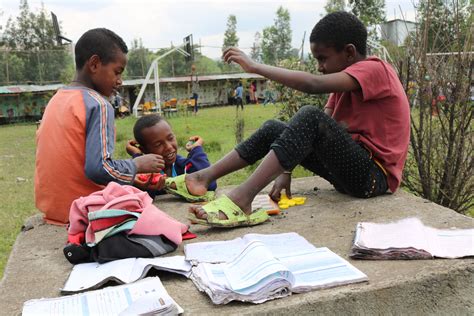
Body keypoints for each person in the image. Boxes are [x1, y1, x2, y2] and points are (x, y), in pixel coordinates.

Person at [180, 11, 410, 227]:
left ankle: (242, 198)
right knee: (274, 128)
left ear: (349, 52)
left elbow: (312, 86)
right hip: (348, 173)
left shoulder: (376, 70)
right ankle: (203, 177)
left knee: (309, 114)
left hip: (373, 178)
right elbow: (317, 131)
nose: (320, 67)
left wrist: (256, 67)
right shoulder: (343, 85)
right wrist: (285, 171)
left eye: (323, 59)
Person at [35, 28, 164, 225]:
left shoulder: (57, 99)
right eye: (117, 72)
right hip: (85, 211)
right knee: (153, 209)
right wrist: (137, 165)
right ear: (94, 64)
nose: (120, 81)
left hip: (55, 209)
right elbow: (99, 169)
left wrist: (127, 176)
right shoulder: (98, 104)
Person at [126, 114, 217, 198]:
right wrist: (137, 156)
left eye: (170, 138)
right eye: (158, 144)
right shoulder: (143, 175)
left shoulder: (183, 165)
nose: (169, 147)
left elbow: (210, 183)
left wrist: (196, 149)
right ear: (144, 150)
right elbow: (142, 196)